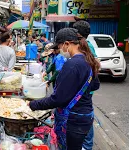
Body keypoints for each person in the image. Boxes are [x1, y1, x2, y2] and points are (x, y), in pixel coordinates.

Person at [29, 28, 100, 150]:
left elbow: (58, 99)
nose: (59, 50)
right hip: (85, 115)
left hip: (73, 119)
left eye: (60, 46)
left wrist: (33, 104)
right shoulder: (87, 59)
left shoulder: (72, 64)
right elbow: (95, 85)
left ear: (67, 44)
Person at [73, 20, 97, 150]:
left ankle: (87, 146)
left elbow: (94, 69)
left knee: (84, 117)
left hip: (84, 90)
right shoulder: (87, 46)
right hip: (83, 90)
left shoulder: (86, 47)